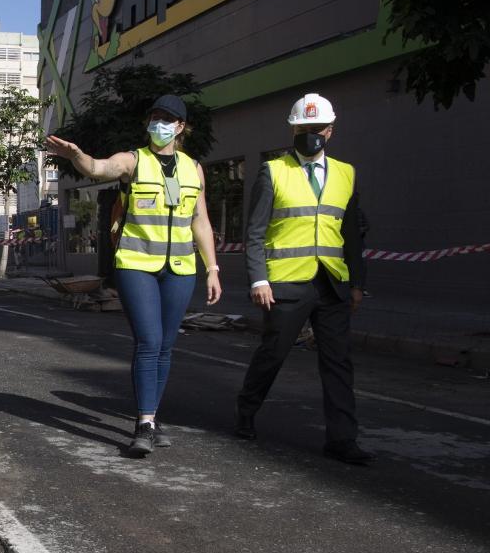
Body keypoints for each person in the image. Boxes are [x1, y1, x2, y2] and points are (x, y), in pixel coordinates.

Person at [46, 94, 221, 456]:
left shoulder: (194, 168)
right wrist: (76, 155)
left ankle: (153, 417)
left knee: (166, 347)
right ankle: (143, 424)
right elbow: (96, 168)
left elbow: (200, 221)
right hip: (137, 264)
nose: (160, 125)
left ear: (181, 127)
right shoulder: (133, 161)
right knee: (149, 341)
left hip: (180, 268)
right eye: (155, 118)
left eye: (168, 119)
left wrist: (213, 269)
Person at [235, 93, 371, 465]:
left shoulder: (346, 173)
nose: (310, 135)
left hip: (332, 282)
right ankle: (247, 410)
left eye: (317, 129)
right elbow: (256, 231)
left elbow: (352, 236)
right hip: (286, 283)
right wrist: (258, 280)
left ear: (330, 131)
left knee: (338, 362)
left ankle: (342, 440)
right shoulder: (273, 170)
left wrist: (357, 282)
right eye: (303, 129)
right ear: (293, 130)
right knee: (273, 353)